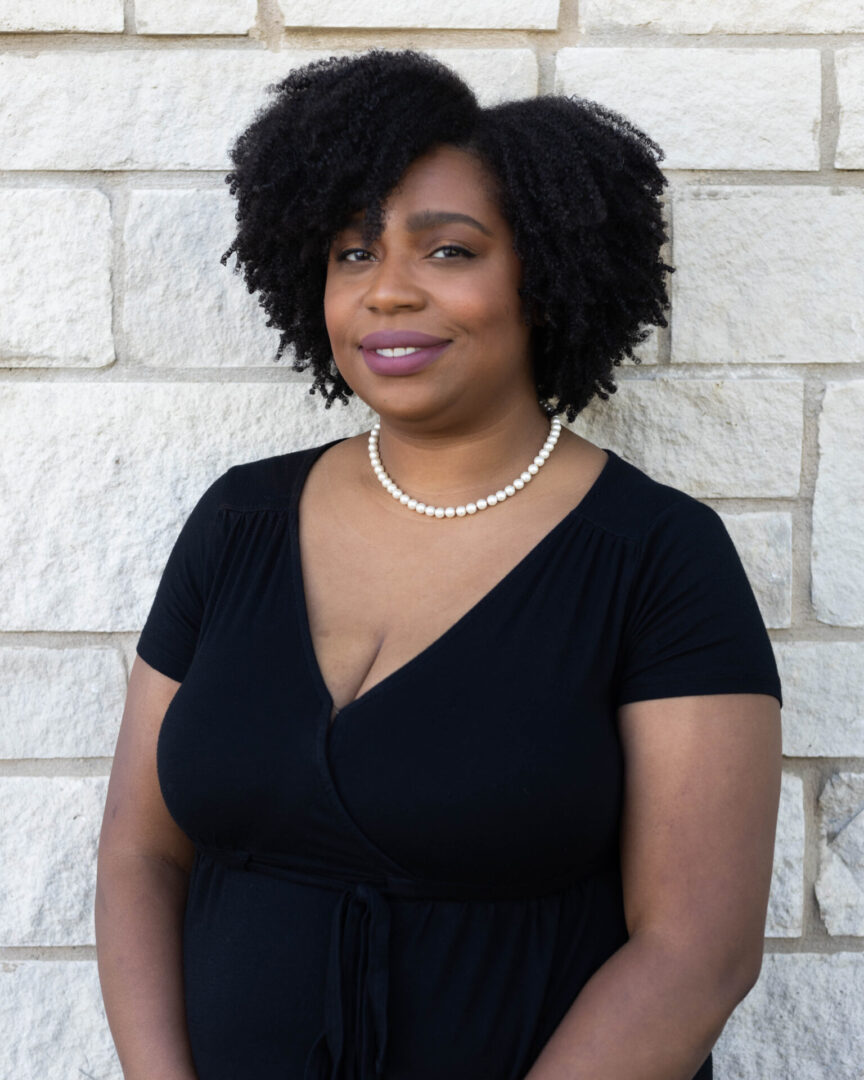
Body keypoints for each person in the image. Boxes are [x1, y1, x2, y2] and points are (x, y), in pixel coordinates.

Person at [95, 48, 783, 1080]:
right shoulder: (240, 521)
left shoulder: (656, 558)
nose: (387, 293)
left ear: (543, 279)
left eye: (448, 252)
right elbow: (140, 853)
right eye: (352, 253)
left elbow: (696, 952)